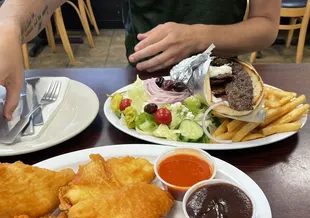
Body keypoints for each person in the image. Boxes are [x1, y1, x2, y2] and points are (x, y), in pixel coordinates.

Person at [0, 0, 280, 120]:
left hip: (223, 87)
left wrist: (198, 37)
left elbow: (266, 25)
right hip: (143, 87)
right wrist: (8, 25)